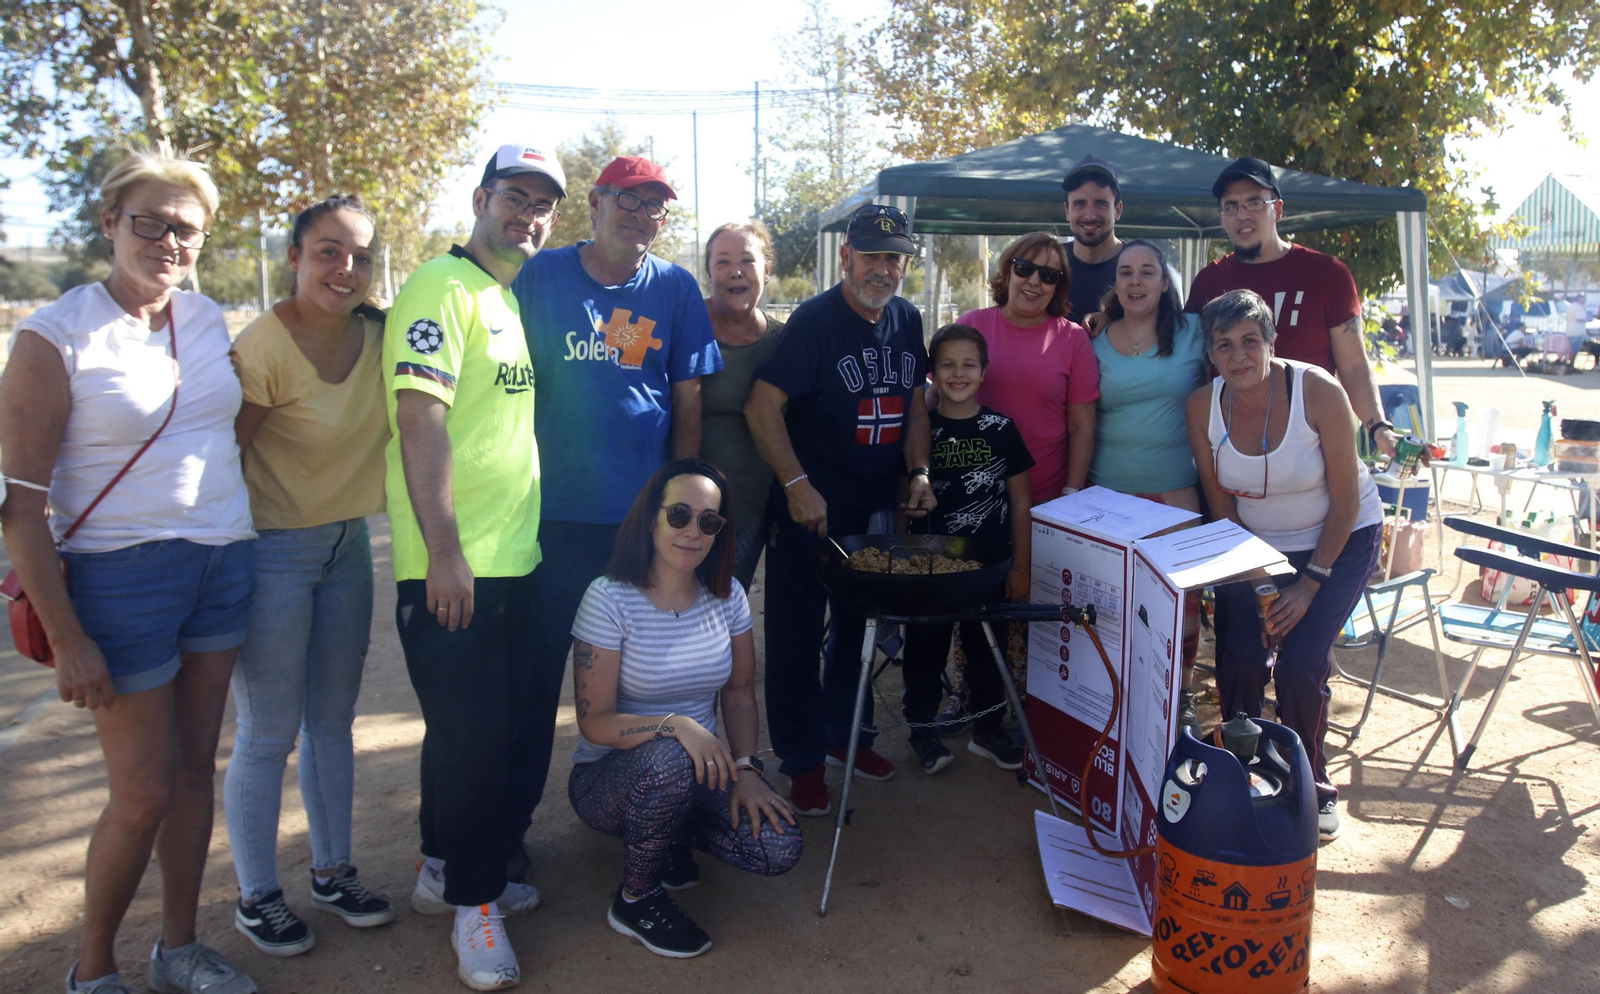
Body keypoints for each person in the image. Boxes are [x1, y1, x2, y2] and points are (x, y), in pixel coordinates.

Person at [0, 152, 258, 994]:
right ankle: (92, 970)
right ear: (110, 222)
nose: (168, 240)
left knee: (192, 775)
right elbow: (21, 506)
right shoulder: (54, 334)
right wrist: (68, 637)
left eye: (186, 227)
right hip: (118, 578)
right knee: (143, 791)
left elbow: (229, 431)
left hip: (221, 562)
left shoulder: (209, 319)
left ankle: (178, 950)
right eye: (149, 221)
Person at [384, 142, 565, 991]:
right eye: (515, 196)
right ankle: (475, 906)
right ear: (481, 197)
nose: (526, 214)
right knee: (475, 743)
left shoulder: (501, 296)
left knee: (476, 735)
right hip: (455, 569)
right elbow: (419, 421)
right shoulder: (439, 288)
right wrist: (446, 554)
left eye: (542, 204)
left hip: (514, 560)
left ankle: (439, 871)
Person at [513, 156, 721, 838]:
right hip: (547, 518)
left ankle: (648, 810)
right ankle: (506, 835)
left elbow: (686, 396)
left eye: (653, 206)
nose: (639, 215)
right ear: (596, 204)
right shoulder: (539, 275)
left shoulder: (673, 289)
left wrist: (679, 499)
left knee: (639, 676)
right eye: (627, 201)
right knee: (534, 680)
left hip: (638, 525)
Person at [224, 196, 394, 958]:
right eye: (328, 251)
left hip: (346, 547)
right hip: (272, 553)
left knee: (332, 723)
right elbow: (222, 460)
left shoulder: (382, 334)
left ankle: (334, 872)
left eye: (360, 256)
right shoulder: (261, 347)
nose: (346, 269)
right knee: (267, 733)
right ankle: (257, 895)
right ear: (294, 257)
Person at [567, 460, 802, 958]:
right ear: (652, 518)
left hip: (702, 772)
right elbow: (595, 722)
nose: (692, 531)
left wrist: (746, 769)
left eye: (708, 521)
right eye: (679, 515)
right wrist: (674, 726)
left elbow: (739, 692)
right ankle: (636, 899)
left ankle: (665, 835)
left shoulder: (728, 596)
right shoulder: (608, 598)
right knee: (669, 757)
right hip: (609, 779)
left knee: (779, 847)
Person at [746, 203, 935, 817]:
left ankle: (846, 738)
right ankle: (801, 762)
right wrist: (797, 484)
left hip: (875, 508)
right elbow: (761, 407)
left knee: (857, 634)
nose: (884, 268)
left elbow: (912, 405)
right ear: (847, 256)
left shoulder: (908, 319)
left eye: (895, 258)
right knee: (798, 635)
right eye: (873, 255)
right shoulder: (815, 321)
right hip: (812, 510)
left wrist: (919, 473)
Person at [1184, 289, 1384, 844]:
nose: (1239, 355)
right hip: (1253, 547)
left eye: (1251, 340)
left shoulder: (1317, 390)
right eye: (1224, 345)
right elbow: (1221, 507)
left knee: (1300, 662)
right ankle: (1243, 772)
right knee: (1241, 655)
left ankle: (1309, 782)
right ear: (1212, 354)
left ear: (1272, 343)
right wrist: (1264, 584)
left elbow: (1346, 501)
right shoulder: (1203, 406)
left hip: (1339, 540)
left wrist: (1308, 585)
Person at [1186, 157, 1405, 461]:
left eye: (1253, 203)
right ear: (1222, 218)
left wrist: (1378, 427)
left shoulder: (1327, 274)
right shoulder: (1208, 282)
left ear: (1277, 209)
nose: (1242, 215)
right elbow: (1191, 367)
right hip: (1236, 453)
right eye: (1231, 206)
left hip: (1313, 447)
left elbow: (1353, 365)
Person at [900, 324, 1034, 774]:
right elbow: (903, 497)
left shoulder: (1001, 429)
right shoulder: (921, 431)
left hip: (989, 567)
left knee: (987, 649)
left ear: (983, 372)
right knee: (924, 648)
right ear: (933, 373)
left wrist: (1021, 566)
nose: (958, 374)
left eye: (968, 365)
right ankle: (922, 731)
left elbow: (1020, 500)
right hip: (930, 567)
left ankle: (989, 729)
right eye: (947, 365)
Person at [1088, 239, 1210, 728]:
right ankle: (1113, 704)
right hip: (1107, 496)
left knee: (1181, 611)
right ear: (1114, 284)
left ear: (1165, 282)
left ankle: (1177, 700)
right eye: (1126, 273)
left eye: (1147, 272)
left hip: (1177, 492)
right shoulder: (1090, 338)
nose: (1135, 281)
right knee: (1114, 610)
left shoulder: (1195, 331)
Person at [956, 232, 1099, 504]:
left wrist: (1071, 495)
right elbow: (935, 398)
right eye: (1024, 268)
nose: (1034, 281)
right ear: (1008, 271)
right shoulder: (970, 325)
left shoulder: (1073, 338)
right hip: (969, 492)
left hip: (1045, 499)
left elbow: (1082, 427)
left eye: (1048, 275)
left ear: (1058, 285)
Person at [700, 220, 785, 591]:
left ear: (766, 269)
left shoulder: (785, 341)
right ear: (708, 272)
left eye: (747, 260)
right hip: (686, 510)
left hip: (752, 510)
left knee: (726, 607)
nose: (735, 270)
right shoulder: (685, 326)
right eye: (722, 261)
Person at [1061, 154, 1126, 323]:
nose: (1090, 215)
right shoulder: (1048, 265)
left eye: (1101, 204)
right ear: (1067, 211)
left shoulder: (1139, 267)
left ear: (1118, 210)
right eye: (1079, 204)